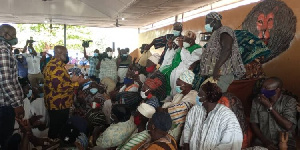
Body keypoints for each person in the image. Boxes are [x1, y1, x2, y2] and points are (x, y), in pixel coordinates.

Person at [182, 81, 243, 150]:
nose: (197, 96)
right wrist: (186, 143)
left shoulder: (227, 117)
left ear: (207, 98)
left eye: (200, 94)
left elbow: (229, 144)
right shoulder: (195, 109)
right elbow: (188, 127)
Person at [43, 45, 85, 140]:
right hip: (58, 104)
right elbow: (58, 88)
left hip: (60, 102)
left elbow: (59, 82)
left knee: (57, 127)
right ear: (59, 54)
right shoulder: (55, 68)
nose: (67, 56)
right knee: (56, 129)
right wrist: (76, 83)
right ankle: (53, 144)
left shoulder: (57, 65)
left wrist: (71, 80)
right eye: (66, 54)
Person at [199, 12, 245, 92]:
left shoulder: (224, 30)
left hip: (223, 73)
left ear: (214, 21)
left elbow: (227, 49)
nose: (206, 24)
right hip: (217, 74)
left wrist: (216, 68)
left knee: (216, 96)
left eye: (207, 22)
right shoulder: (216, 33)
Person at [250, 77, 297, 149]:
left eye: (266, 89)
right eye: (262, 88)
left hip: (286, 140)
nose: (263, 91)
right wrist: (265, 141)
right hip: (263, 140)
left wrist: (270, 107)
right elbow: (253, 124)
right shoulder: (257, 101)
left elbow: (288, 126)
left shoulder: (289, 101)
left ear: (277, 90)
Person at [0, 24, 24, 149]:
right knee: (5, 140)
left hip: (5, 102)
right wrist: (17, 104)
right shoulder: (3, 51)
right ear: (5, 35)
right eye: (13, 35)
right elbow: (5, 81)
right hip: (5, 104)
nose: (15, 38)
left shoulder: (5, 49)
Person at [161, 31, 202, 96]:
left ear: (191, 41)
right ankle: (172, 96)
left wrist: (181, 47)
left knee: (179, 87)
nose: (183, 42)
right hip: (177, 69)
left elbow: (188, 61)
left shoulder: (198, 49)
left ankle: (177, 97)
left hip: (186, 72)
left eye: (185, 40)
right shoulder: (185, 47)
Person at [161, 70, 197, 141]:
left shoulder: (193, 96)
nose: (177, 87)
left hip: (178, 130)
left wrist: (163, 109)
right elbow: (171, 104)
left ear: (187, 85)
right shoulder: (179, 94)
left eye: (179, 85)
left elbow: (178, 112)